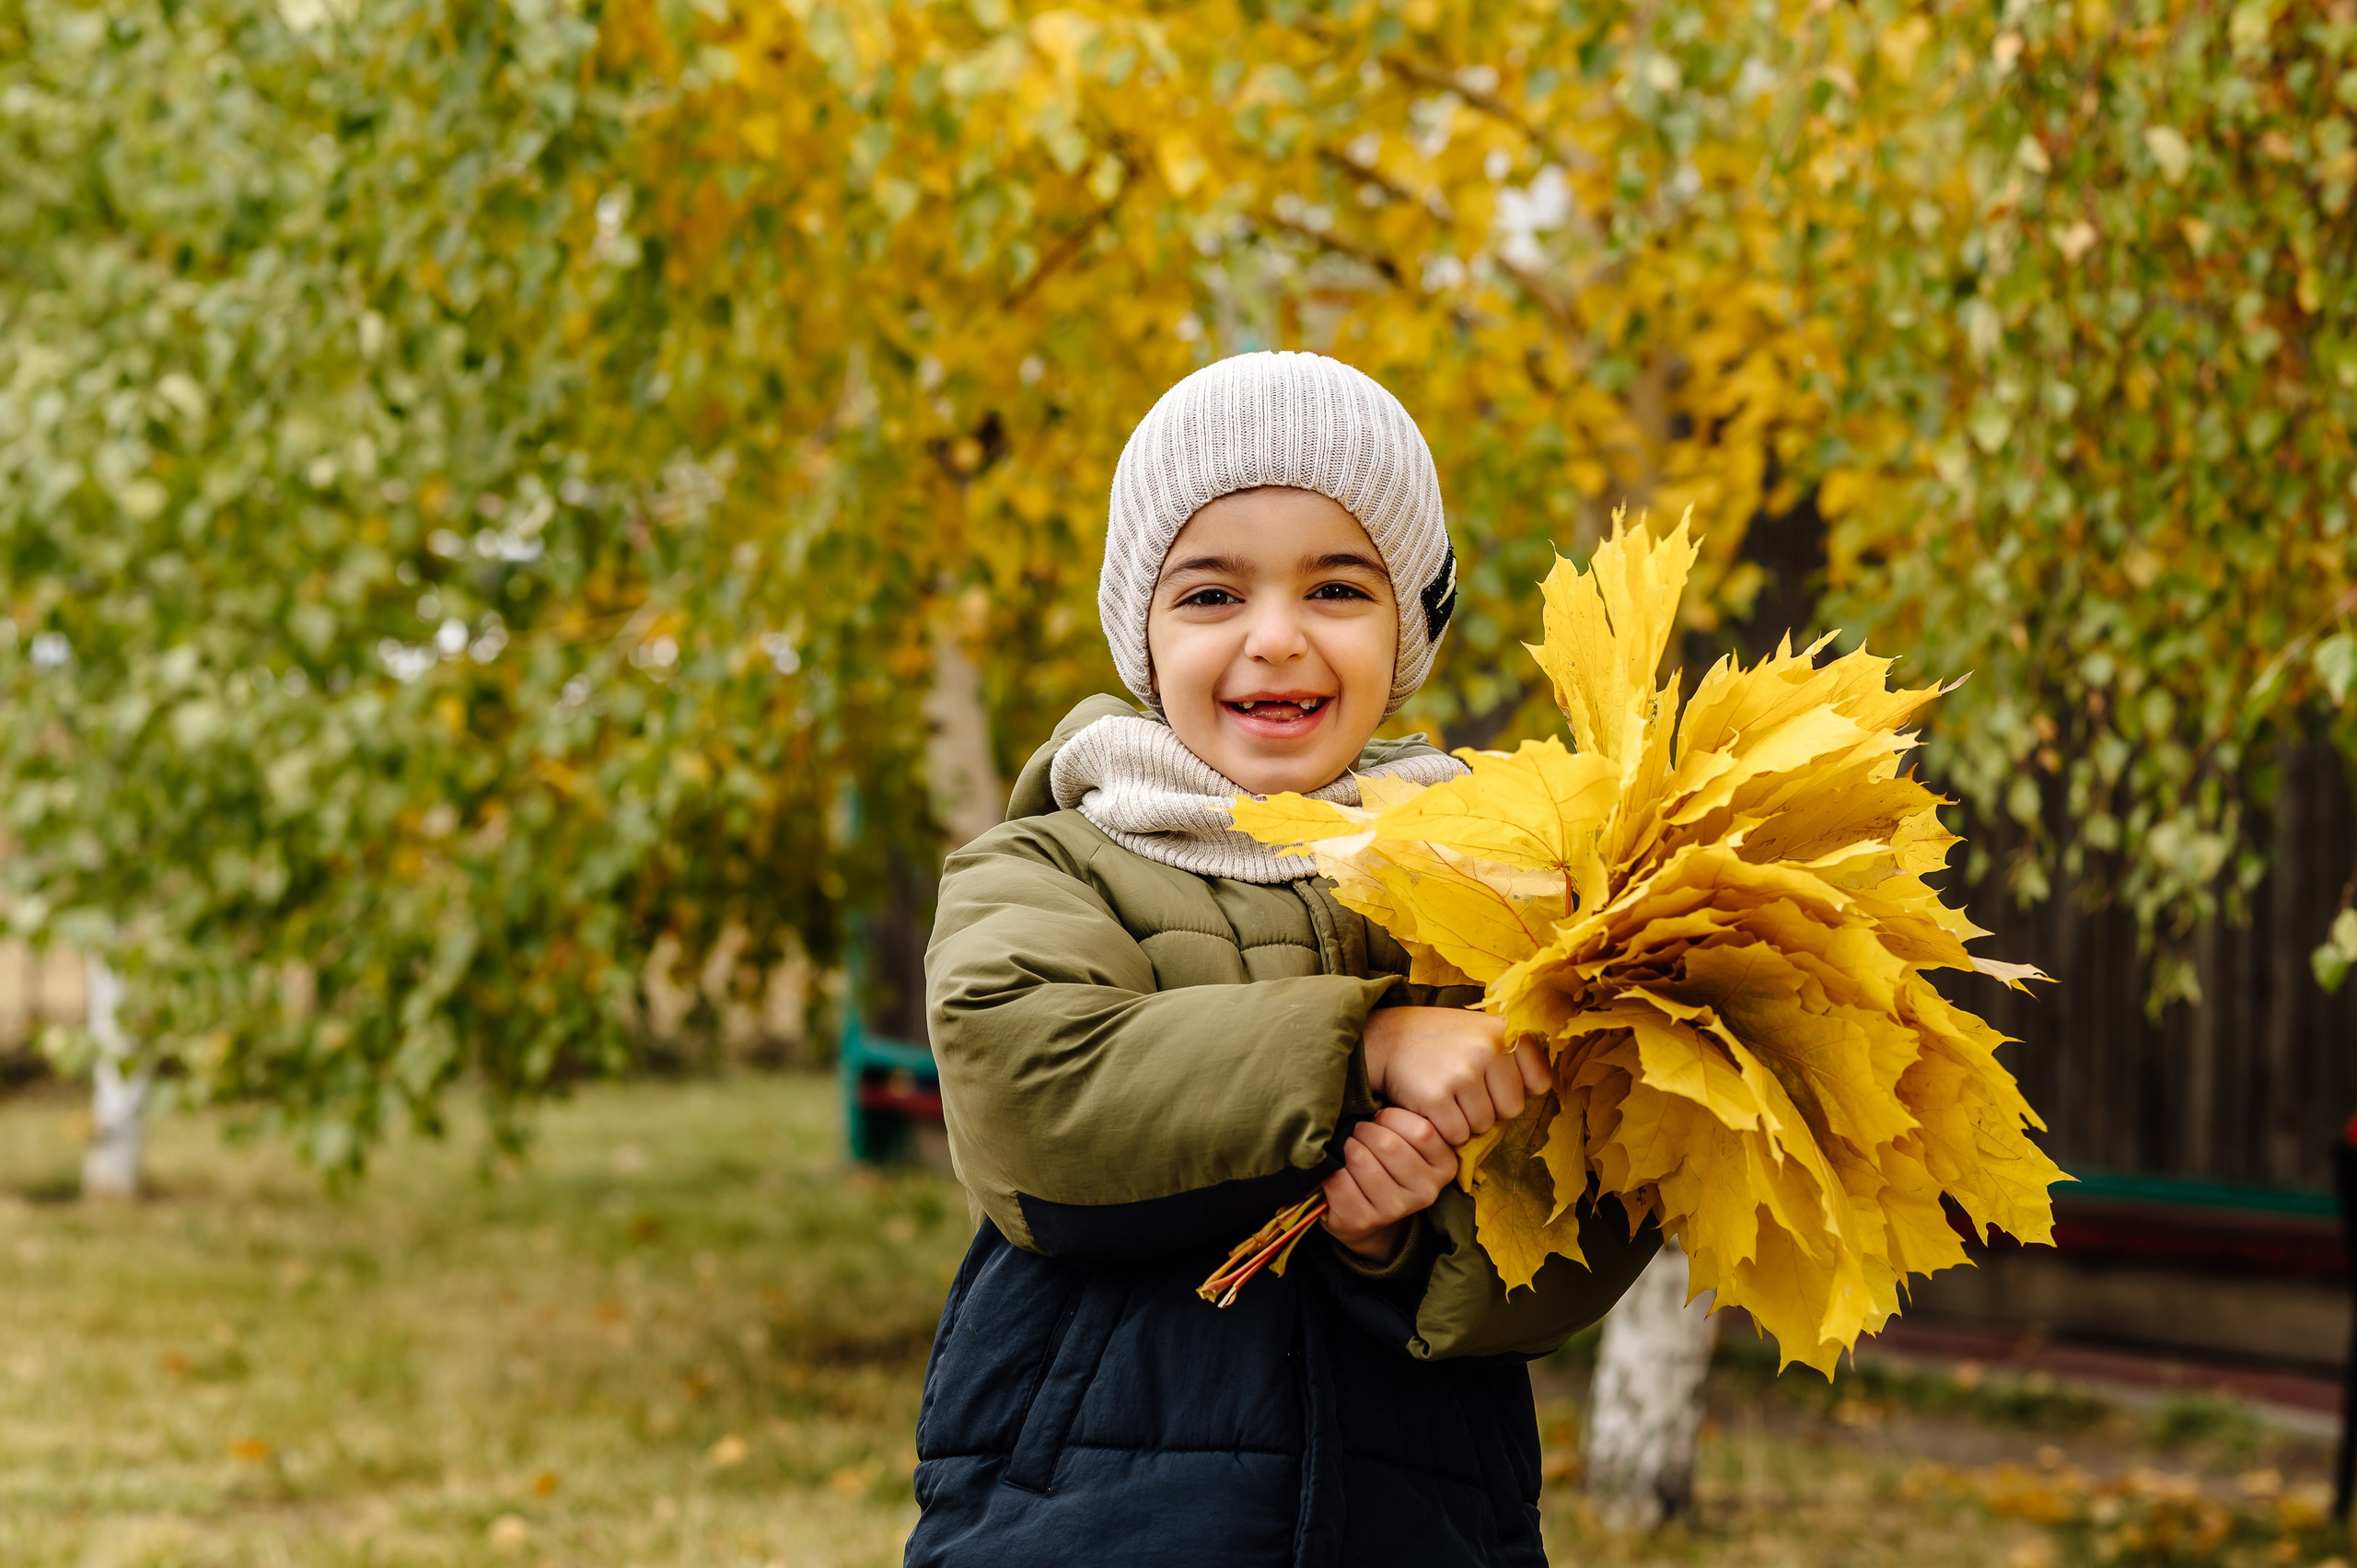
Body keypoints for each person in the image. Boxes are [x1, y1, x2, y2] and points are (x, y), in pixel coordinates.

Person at [905, 352, 1660, 1568]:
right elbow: (1027, 1092)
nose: (1274, 639)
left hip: (1420, 1525)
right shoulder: (1056, 861)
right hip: (1092, 1525)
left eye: (1337, 590)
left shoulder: (1497, 888)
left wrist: (1395, 1238)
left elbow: (1586, 1225)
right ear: (1142, 634)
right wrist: (1366, 1045)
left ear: (1407, 632)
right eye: (1210, 595)